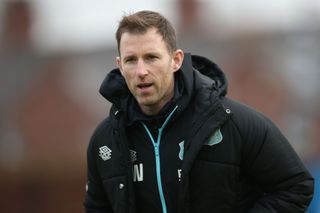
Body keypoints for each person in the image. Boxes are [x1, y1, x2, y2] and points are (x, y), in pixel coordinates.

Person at [84, 10, 314, 213]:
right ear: (120, 66)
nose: (141, 70)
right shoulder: (105, 141)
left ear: (176, 60)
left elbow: (295, 186)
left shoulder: (231, 122)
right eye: (131, 60)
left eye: (151, 57)